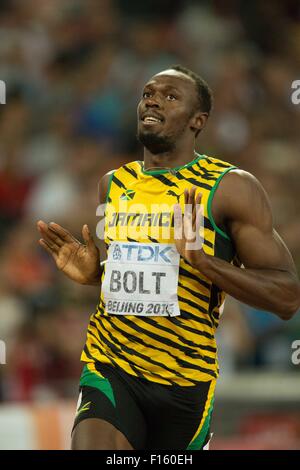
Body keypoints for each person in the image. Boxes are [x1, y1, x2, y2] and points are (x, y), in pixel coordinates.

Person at [37, 65, 300, 450]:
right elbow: (137, 272)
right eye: (148, 92)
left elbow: (287, 297)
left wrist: (205, 262)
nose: (153, 100)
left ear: (198, 121)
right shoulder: (113, 184)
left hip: (185, 382)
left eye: (170, 96)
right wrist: (97, 274)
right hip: (112, 366)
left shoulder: (230, 188)